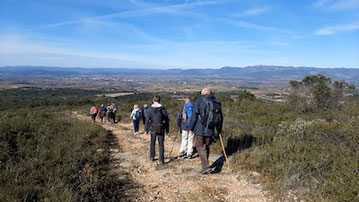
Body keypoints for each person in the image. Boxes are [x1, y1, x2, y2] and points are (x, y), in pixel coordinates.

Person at [189, 88, 223, 174]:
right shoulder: (216, 102)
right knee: (206, 146)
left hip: (200, 128)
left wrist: (191, 128)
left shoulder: (200, 101)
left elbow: (194, 116)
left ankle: (205, 167)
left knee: (200, 146)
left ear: (203, 93)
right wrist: (219, 130)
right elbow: (220, 118)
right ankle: (205, 165)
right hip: (210, 129)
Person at [145, 96, 169, 165]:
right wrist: (167, 128)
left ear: (153, 100)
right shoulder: (163, 108)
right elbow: (167, 119)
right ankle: (161, 159)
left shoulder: (150, 109)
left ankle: (152, 156)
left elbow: (147, 119)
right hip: (161, 128)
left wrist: (146, 128)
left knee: (152, 142)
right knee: (161, 144)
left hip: (152, 128)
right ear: (159, 100)